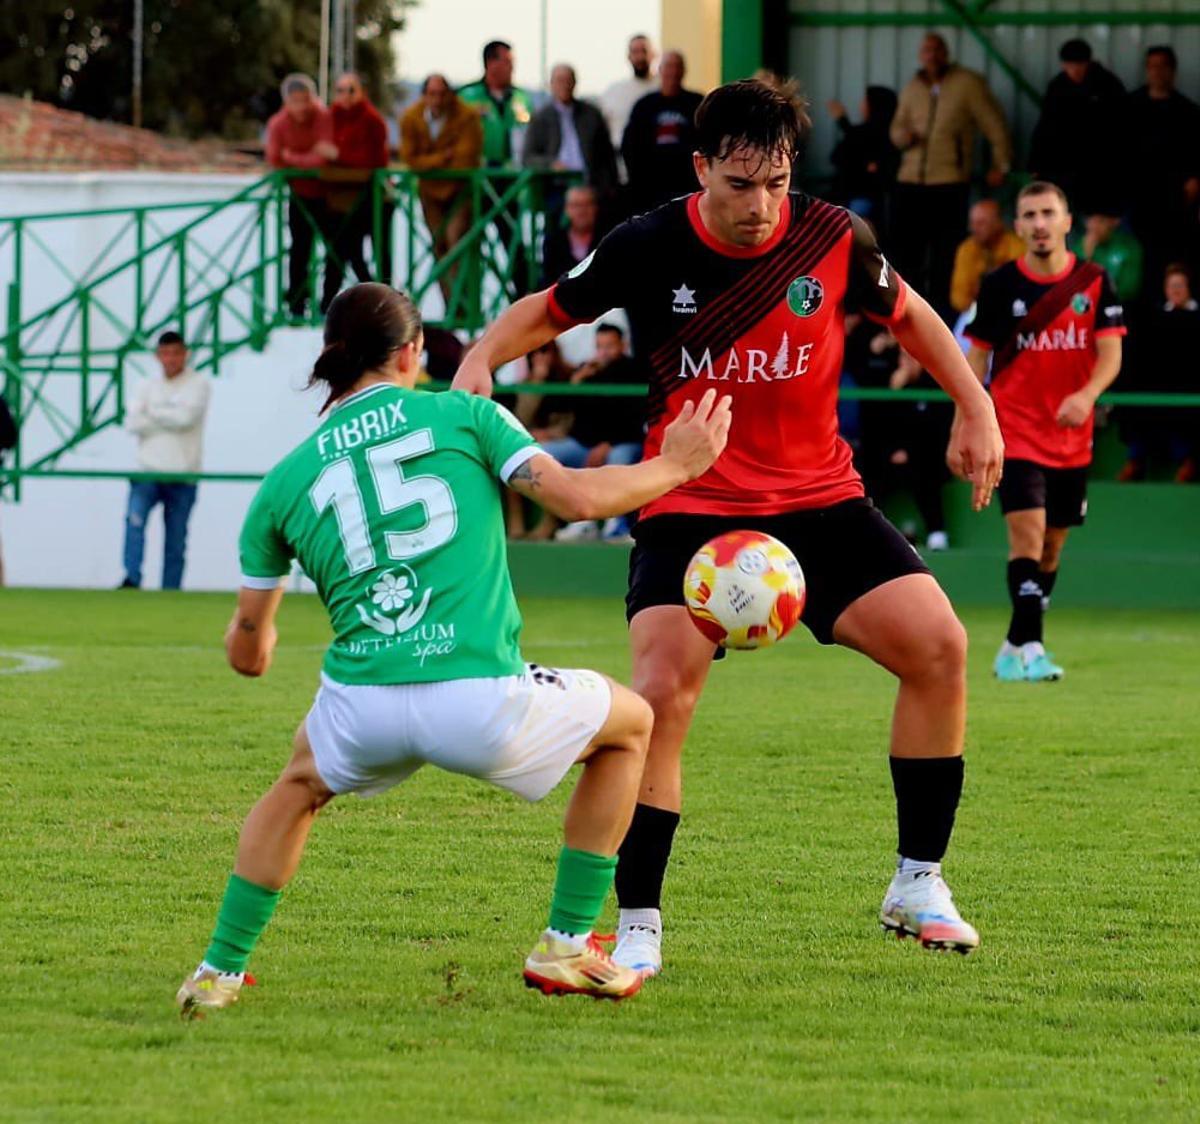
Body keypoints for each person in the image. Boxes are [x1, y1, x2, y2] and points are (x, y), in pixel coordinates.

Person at [452, 79, 1005, 974]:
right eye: (742, 185)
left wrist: (974, 406)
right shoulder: (649, 242)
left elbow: (915, 317)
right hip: (691, 509)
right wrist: (479, 356)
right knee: (661, 698)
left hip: (822, 502)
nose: (762, 207)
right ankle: (636, 927)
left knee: (939, 645)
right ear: (702, 168)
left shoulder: (832, 236)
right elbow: (547, 310)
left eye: (778, 183)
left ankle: (917, 883)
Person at [175, 283, 732, 1017]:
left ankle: (218, 971)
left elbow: (249, 653)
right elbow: (576, 499)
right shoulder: (465, 416)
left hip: (362, 703)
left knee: (297, 785)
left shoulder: (282, 484)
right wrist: (678, 466)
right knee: (631, 726)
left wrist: (251, 636)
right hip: (477, 696)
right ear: (411, 353)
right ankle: (566, 941)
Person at [964, 181, 1125, 683]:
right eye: (1029, 214)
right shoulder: (998, 285)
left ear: (1066, 221)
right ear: (1018, 226)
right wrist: (966, 421)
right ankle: (1032, 648)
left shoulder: (1095, 282)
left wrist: (1086, 395)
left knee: (1053, 546)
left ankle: (1014, 644)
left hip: (1072, 440)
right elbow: (976, 357)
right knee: (1028, 537)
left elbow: (1112, 355)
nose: (1038, 223)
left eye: (1047, 213)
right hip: (1015, 434)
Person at [890, 34, 1012, 319]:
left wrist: (1001, 164)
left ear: (946, 53)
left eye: (936, 50)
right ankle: (907, 316)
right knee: (907, 255)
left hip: (949, 180)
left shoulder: (968, 84)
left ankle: (942, 318)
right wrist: (903, 137)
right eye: (926, 50)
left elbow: (995, 125)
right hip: (910, 181)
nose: (930, 55)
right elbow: (895, 129)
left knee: (947, 257)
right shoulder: (912, 87)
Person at [534, 322, 648, 544]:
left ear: (622, 345)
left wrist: (607, 444)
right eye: (600, 346)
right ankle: (573, 520)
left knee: (618, 459)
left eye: (610, 346)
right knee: (542, 455)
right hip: (585, 444)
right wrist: (576, 384)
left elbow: (634, 419)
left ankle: (618, 524)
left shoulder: (634, 371)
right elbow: (564, 412)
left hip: (622, 443)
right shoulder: (587, 370)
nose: (604, 351)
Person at [120, 332, 210, 590]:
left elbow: (186, 420)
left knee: (176, 540)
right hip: (147, 471)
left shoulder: (198, 383)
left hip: (183, 474)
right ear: (158, 356)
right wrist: (170, 414)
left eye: (176, 353)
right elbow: (132, 423)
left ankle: (170, 590)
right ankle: (132, 579)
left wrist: (151, 412)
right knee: (133, 523)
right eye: (165, 353)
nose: (170, 359)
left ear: (186, 354)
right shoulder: (145, 385)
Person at [458, 41, 538, 295]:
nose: (512, 67)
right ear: (491, 63)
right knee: (467, 245)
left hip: (509, 184)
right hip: (475, 184)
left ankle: (523, 296)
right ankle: (467, 302)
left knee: (514, 243)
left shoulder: (521, 97)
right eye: (507, 61)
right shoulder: (467, 96)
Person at [399, 74, 484, 306]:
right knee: (439, 247)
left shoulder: (466, 116)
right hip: (430, 193)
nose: (436, 100)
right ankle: (452, 305)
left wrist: (428, 162)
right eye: (431, 94)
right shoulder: (411, 118)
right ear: (424, 96)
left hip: (461, 191)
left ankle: (465, 304)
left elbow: (466, 159)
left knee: (458, 243)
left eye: (441, 94)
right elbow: (409, 158)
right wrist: (441, 157)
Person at [1123, 46, 1200, 297]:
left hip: (1174, 202)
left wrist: (1194, 180)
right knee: (1137, 262)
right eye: (1151, 66)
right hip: (1136, 199)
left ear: (1172, 71)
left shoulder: (1187, 111)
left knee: (1171, 260)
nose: (1156, 71)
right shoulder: (1130, 107)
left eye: (1162, 66)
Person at [1117, 263, 1200, 483]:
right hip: (1158, 385)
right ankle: (1135, 462)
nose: (1175, 291)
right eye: (1171, 286)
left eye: (1180, 286)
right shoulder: (1154, 319)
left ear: (1189, 288)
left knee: (1182, 415)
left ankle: (1188, 464)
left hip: (1189, 388)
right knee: (1143, 409)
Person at [265, 74, 337, 321]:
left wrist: (293, 158)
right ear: (286, 102)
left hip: (329, 194)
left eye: (305, 100)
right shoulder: (278, 124)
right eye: (295, 101)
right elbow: (275, 158)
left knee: (335, 250)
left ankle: (329, 304)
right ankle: (297, 304)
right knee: (299, 250)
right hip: (299, 195)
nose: (301, 107)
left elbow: (325, 156)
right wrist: (307, 158)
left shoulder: (323, 117)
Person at [1028, 39, 1126, 216]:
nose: (1074, 71)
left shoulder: (1108, 86)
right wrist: (1036, 163)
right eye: (1069, 65)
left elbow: (1122, 130)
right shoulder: (1057, 87)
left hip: (1099, 171)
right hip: (1062, 170)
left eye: (1079, 65)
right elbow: (1045, 128)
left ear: (1088, 63)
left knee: (1096, 219)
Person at [323, 73, 390, 313]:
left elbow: (373, 160)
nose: (345, 96)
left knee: (375, 253)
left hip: (369, 198)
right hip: (339, 201)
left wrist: (338, 156)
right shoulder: (330, 117)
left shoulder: (372, 120)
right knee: (341, 254)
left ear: (361, 92)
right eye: (340, 90)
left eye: (351, 90)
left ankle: (382, 301)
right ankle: (328, 305)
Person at [621, 50, 704, 216]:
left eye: (677, 67)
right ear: (659, 70)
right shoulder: (644, 105)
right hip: (650, 190)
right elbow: (629, 146)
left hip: (687, 187)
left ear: (683, 71)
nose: (673, 72)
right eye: (668, 66)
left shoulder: (697, 103)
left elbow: (708, 141)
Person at [523, 65, 618, 201]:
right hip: (556, 187)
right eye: (560, 80)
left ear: (575, 83)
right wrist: (551, 164)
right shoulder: (541, 117)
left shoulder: (591, 114)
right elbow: (528, 158)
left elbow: (607, 155)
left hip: (590, 185)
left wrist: (609, 186)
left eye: (568, 80)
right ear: (551, 84)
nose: (565, 85)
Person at [826, 86, 899, 226]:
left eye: (865, 101)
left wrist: (843, 121)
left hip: (860, 199)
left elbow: (843, 155)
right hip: (856, 199)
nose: (861, 105)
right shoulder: (885, 134)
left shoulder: (880, 136)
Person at [949, 199, 1025, 314]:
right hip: (975, 313)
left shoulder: (1018, 247)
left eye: (981, 223)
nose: (974, 229)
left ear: (998, 223)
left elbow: (1021, 294)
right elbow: (958, 299)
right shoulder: (966, 249)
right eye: (972, 223)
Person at [601, 34, 657, 183]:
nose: (639, 57)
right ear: (628, 56)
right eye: (635, 52)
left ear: (653, 54)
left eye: (643, 51)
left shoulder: (661, 89)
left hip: (654, 169)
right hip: (619, 172)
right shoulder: (613, 92)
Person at [1068, 209, 1143, 304]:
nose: (1094, 227)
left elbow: (1130, 289)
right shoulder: (1079, 247)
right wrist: (1086, 254)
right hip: (1088, 305)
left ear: (1112, 222)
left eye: (1100, 221)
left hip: (1121, 305)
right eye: (1090, 221)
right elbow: (1073, 287)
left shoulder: (1128, 245)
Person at [540, 184, 599, 287]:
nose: (582, 211)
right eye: (576, 205)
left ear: (595, 208)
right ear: (567, 209)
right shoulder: (554, 241)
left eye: (587, 204)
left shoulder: (607, 238)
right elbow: (548, 280)